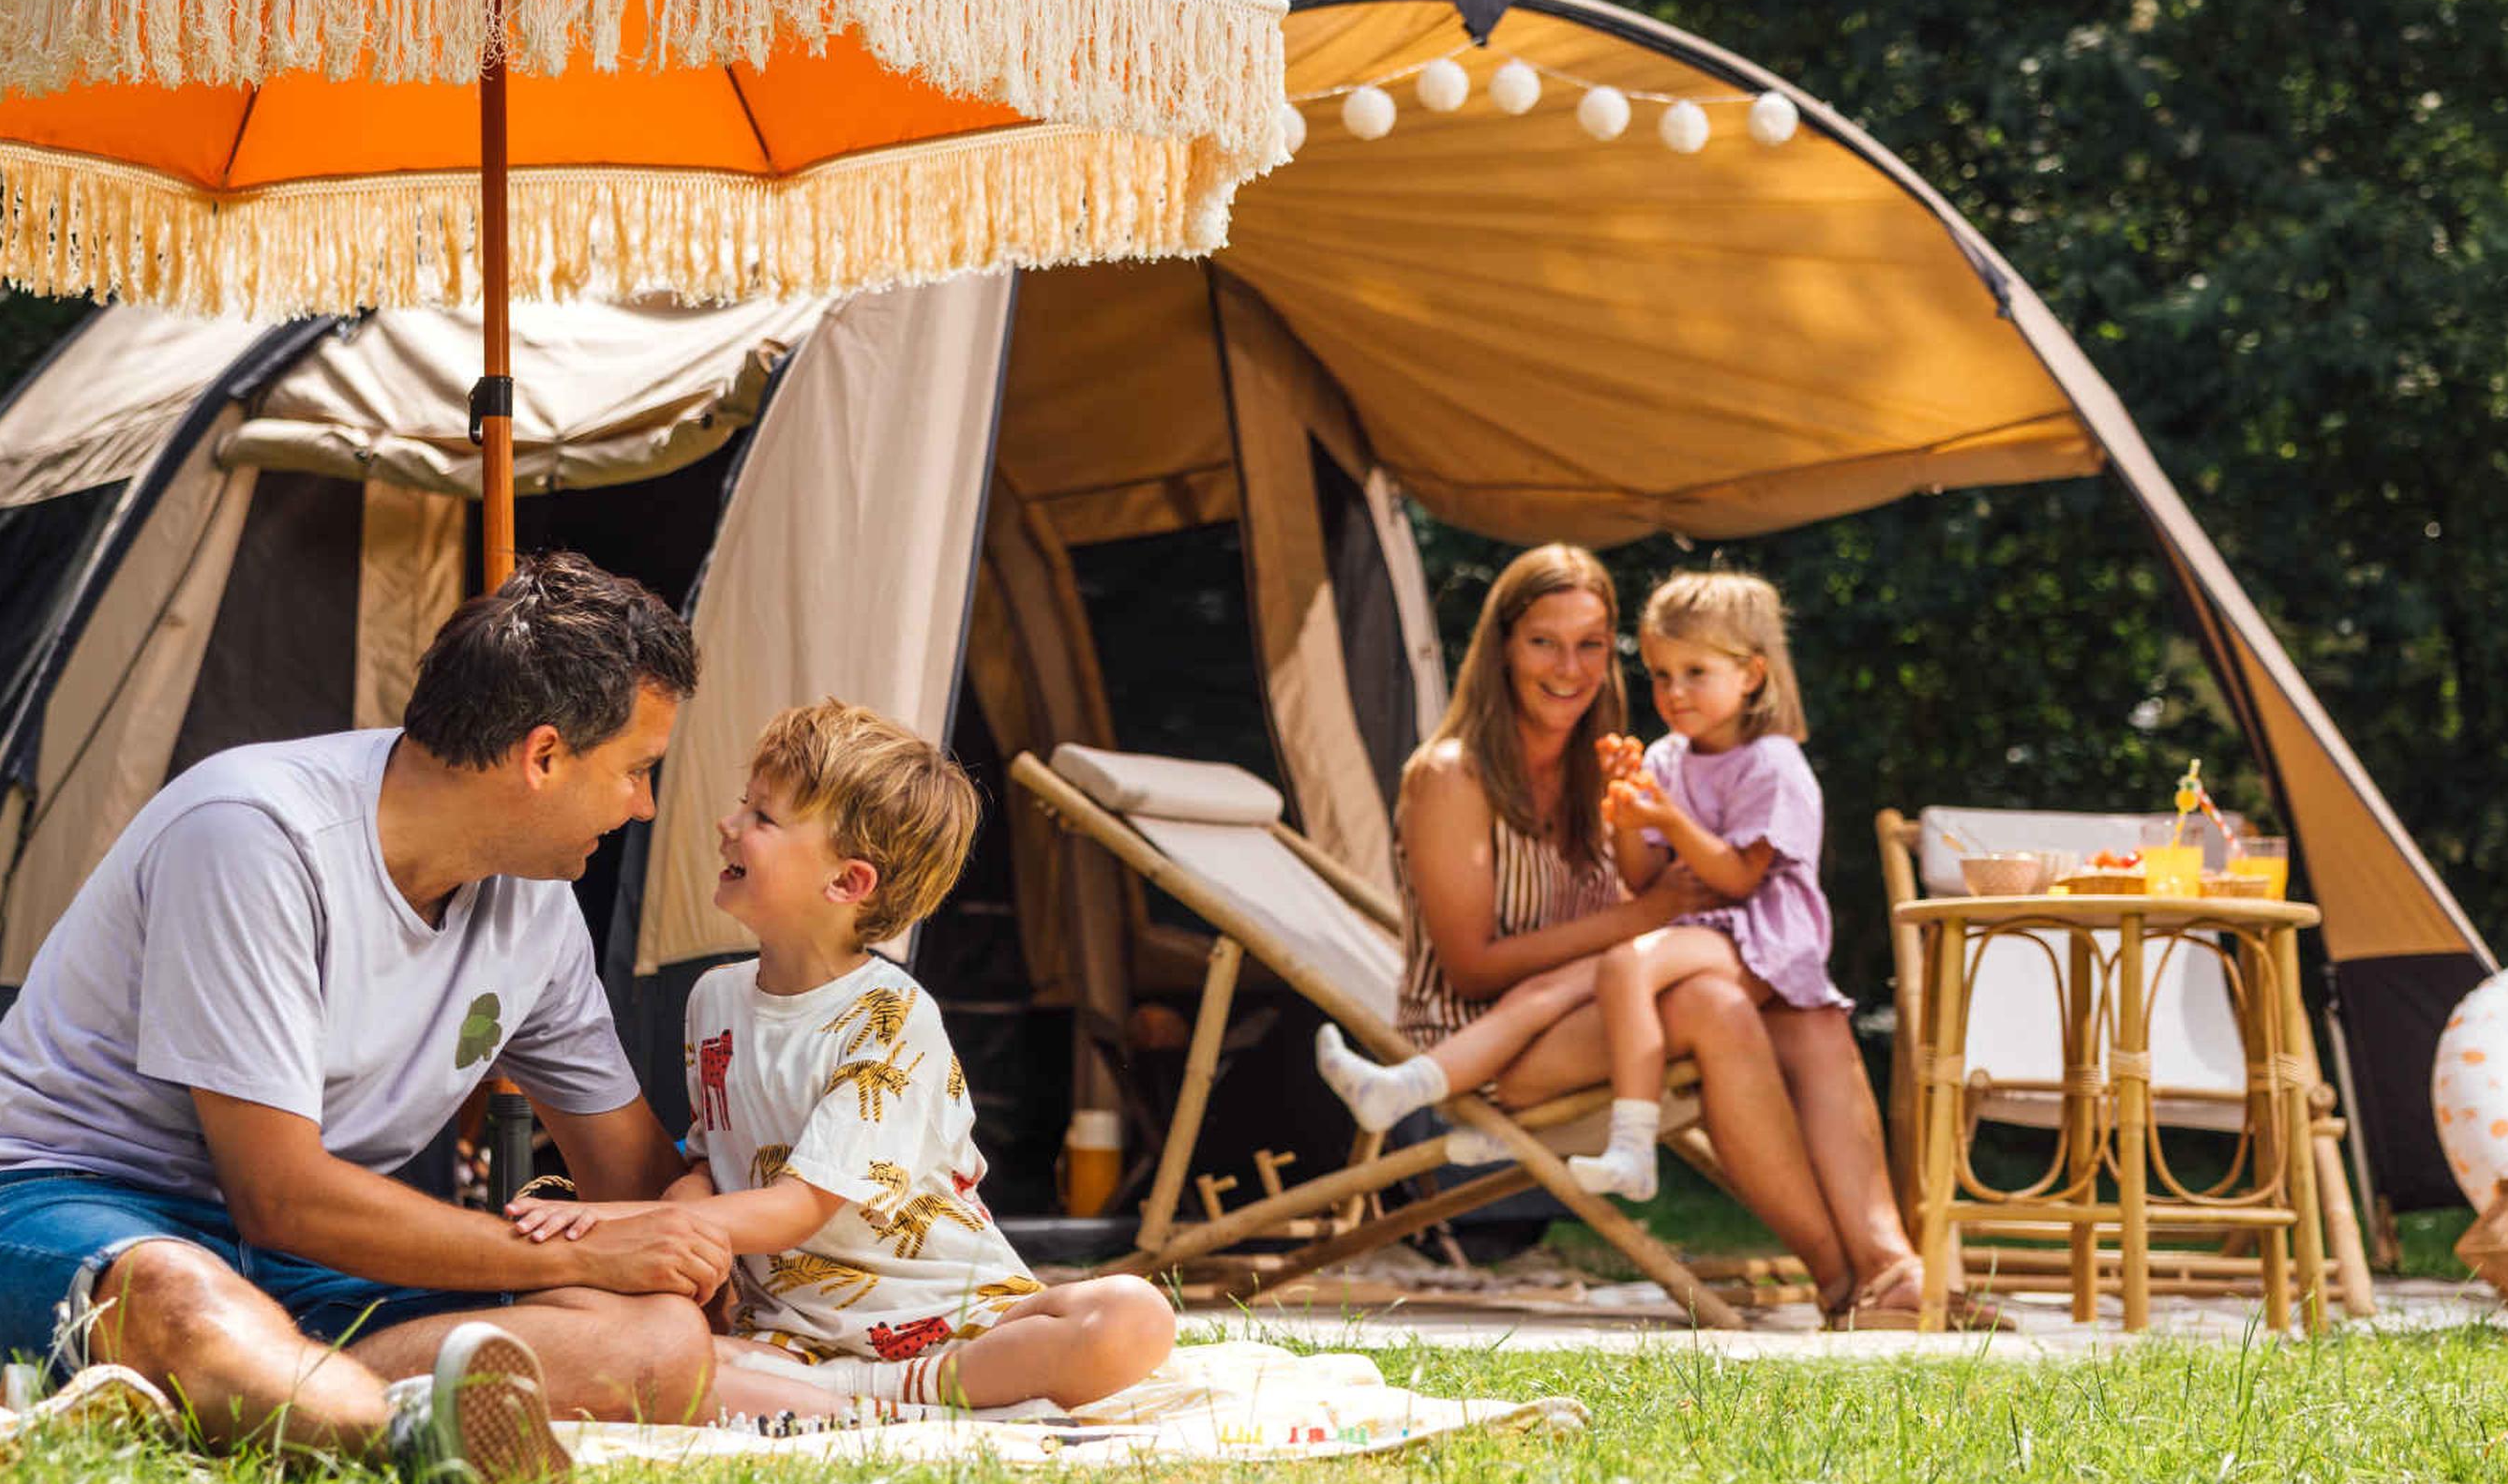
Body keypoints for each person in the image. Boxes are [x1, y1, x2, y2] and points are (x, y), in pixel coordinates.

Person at [0, 551, 728, 1484]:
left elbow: (631, 1174)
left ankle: (245, 1394)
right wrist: (578, 1252)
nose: (643, 806)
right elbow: (278, 1196)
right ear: (543, 757)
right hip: (51, 1209)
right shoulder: (254, 832)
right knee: (175, 1289)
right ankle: (393, 1435)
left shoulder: (531, 902)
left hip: (296, 1271)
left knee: (657, 1339)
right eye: (636, 771)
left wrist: (741, 1218)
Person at [1309, 543, 1943, 1327]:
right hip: (1483, 1040)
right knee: (1713, 1005)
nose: (1568, 667)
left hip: (1600, 1003)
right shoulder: (1453, 775)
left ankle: (1889, 1270)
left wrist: (1649, 888)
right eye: (1544, 642)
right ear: (1501, 648)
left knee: (1809, 1016)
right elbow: (1472, 968)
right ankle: (1842, 1281)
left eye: (1591, 645)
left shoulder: (1605, 767)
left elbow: (1667, 890)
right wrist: (1640, 919)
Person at [513, 700, 1177, 1415]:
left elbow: (801, 1207)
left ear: (847, 883)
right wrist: (663, 1216)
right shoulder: (714, 1000)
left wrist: (626, 1223)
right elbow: (717, 1159)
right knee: (590, 1331)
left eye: (762, 817)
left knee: (1132, 1317)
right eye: (744, 804)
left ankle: (883, 1389)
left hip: (951, 1321)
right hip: (793, 1336)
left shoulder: (890, 1018)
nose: (728, 824)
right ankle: (856, 1393)